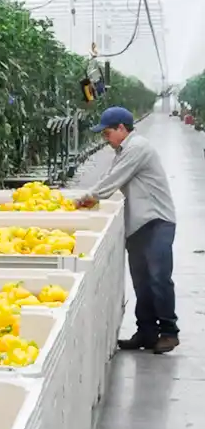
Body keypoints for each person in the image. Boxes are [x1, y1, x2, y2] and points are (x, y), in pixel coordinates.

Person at [76, 106, 178, 354]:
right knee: (142, 282)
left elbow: (114, 180)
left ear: (122, 128)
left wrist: (87, 198)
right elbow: (111, 174)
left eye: (107, 133)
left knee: (158, 279)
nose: (105, 138)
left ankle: (168, 332)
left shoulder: (137, 148)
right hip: (138, 225)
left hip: (156, 221)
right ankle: (146, 332)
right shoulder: (123, 151)